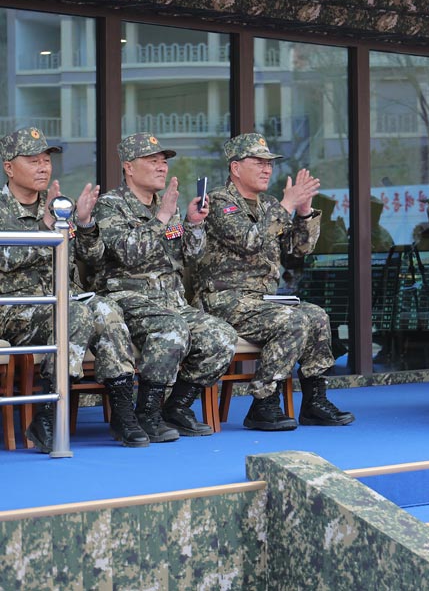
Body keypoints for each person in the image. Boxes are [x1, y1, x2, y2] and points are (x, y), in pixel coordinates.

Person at [0, 127, 148, 451]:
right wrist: (45, 228)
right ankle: (49, 414)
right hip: (15, 308)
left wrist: (84, 224)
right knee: (75, 314)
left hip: (67, 300)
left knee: (108, 309)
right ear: (9, 167)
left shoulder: (57, 205)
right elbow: (5, 258)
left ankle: (123, 410)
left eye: (46, 160)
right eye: (33, 160)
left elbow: (92, 259)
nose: (43, 167)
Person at [195, 133, 354, 431]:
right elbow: (249, 241)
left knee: (317, 315)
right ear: (236, 167)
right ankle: (264, 404)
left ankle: (314, 400)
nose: (267, 169)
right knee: (289, 321)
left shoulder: (269, 205)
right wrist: (287, 204)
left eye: (269, 163)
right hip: (224, 299)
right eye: (258, 162)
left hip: (263, 301)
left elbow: (299, 251)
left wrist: (304, 211)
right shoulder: (218, 202)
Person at [94, 132, 238, 442]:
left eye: (163, 161)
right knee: (170, 327)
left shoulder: (168, 207)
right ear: (129, 167)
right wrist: (161, 218)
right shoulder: (111, 204)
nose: (162, 167)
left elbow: (190, 258)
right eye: (152, 161)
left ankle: (177, 407)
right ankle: (147, 412)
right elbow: (127, 253)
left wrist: (194, 225)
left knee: (222, 336)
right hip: (129, 299)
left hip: (171, 300)